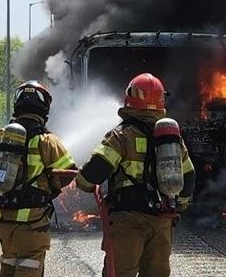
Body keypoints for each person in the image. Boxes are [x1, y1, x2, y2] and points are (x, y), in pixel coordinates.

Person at [76, 73, 196, 277]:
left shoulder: (122, 136)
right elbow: (189, 175)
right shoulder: (171, 139)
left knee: (120, 272)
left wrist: (82, 182)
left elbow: (96, 170)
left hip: (128, 221)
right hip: (162, 221)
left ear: (129, 98)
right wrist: (181, 203)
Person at [0, 80, 77, 277]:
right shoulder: (47, 141)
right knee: (28, 267)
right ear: (44, 106)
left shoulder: (0, 136)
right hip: (32, 220)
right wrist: (50, 185)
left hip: (4, 217)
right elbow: (68, 172)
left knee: (8, 263)